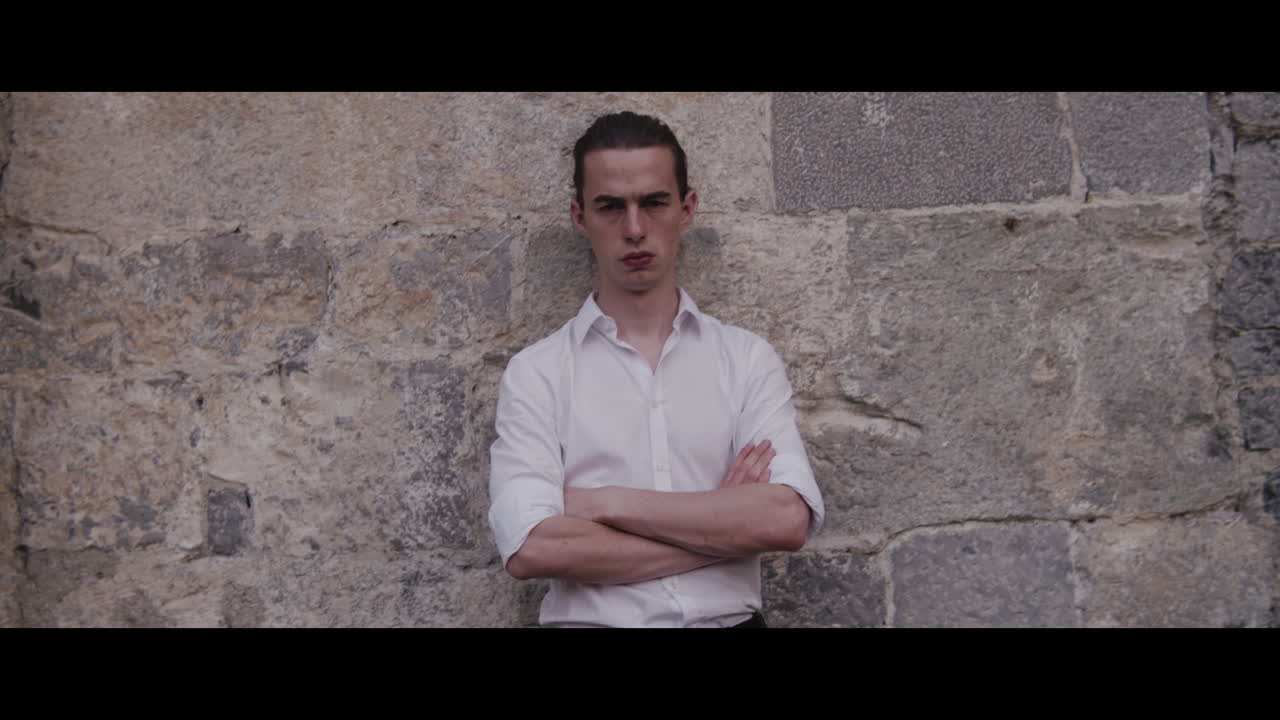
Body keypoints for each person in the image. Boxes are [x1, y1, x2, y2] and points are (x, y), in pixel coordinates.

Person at [487, 111, 825, 627]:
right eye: (610, 207)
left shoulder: (745, 359)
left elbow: (784, 518)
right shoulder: (537, 374)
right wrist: (721, 531)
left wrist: (603, 503)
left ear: (686, 207)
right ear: (580, 217)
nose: (634, 229)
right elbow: (533, 548)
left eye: (653, 202)